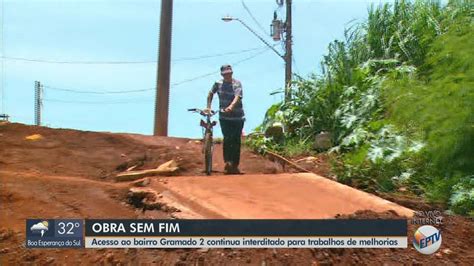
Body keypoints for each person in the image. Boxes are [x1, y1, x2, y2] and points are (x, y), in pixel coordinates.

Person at [206, 64, 245, 174]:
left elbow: (238, 97)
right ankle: (228, 162)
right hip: (224, 117)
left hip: (238, 117)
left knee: (236, 140)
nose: (228, 75)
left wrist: (231, 107)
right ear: (222, 74)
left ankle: (235, 164)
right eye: (225, 74)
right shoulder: (218, 84)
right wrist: (208, 107)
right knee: (227, 139)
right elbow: (210, 94)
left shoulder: (237, 84)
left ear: (232, 73)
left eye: (229, 73)